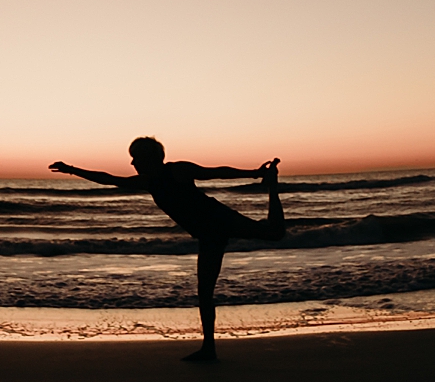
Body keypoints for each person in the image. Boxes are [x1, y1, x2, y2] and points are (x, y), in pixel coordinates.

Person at [50, 137, 284, 362]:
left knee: (275, 234)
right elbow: (109, 179)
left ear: (149, 158)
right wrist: (72, 169)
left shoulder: (177, 170)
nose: (132, 163)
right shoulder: (148, 182)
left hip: (220, 220)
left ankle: (272, 186)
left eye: (136, 158)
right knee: (204, 292)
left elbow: (217, 172)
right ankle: (208, 349)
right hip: (208, 236)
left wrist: (255, 173)